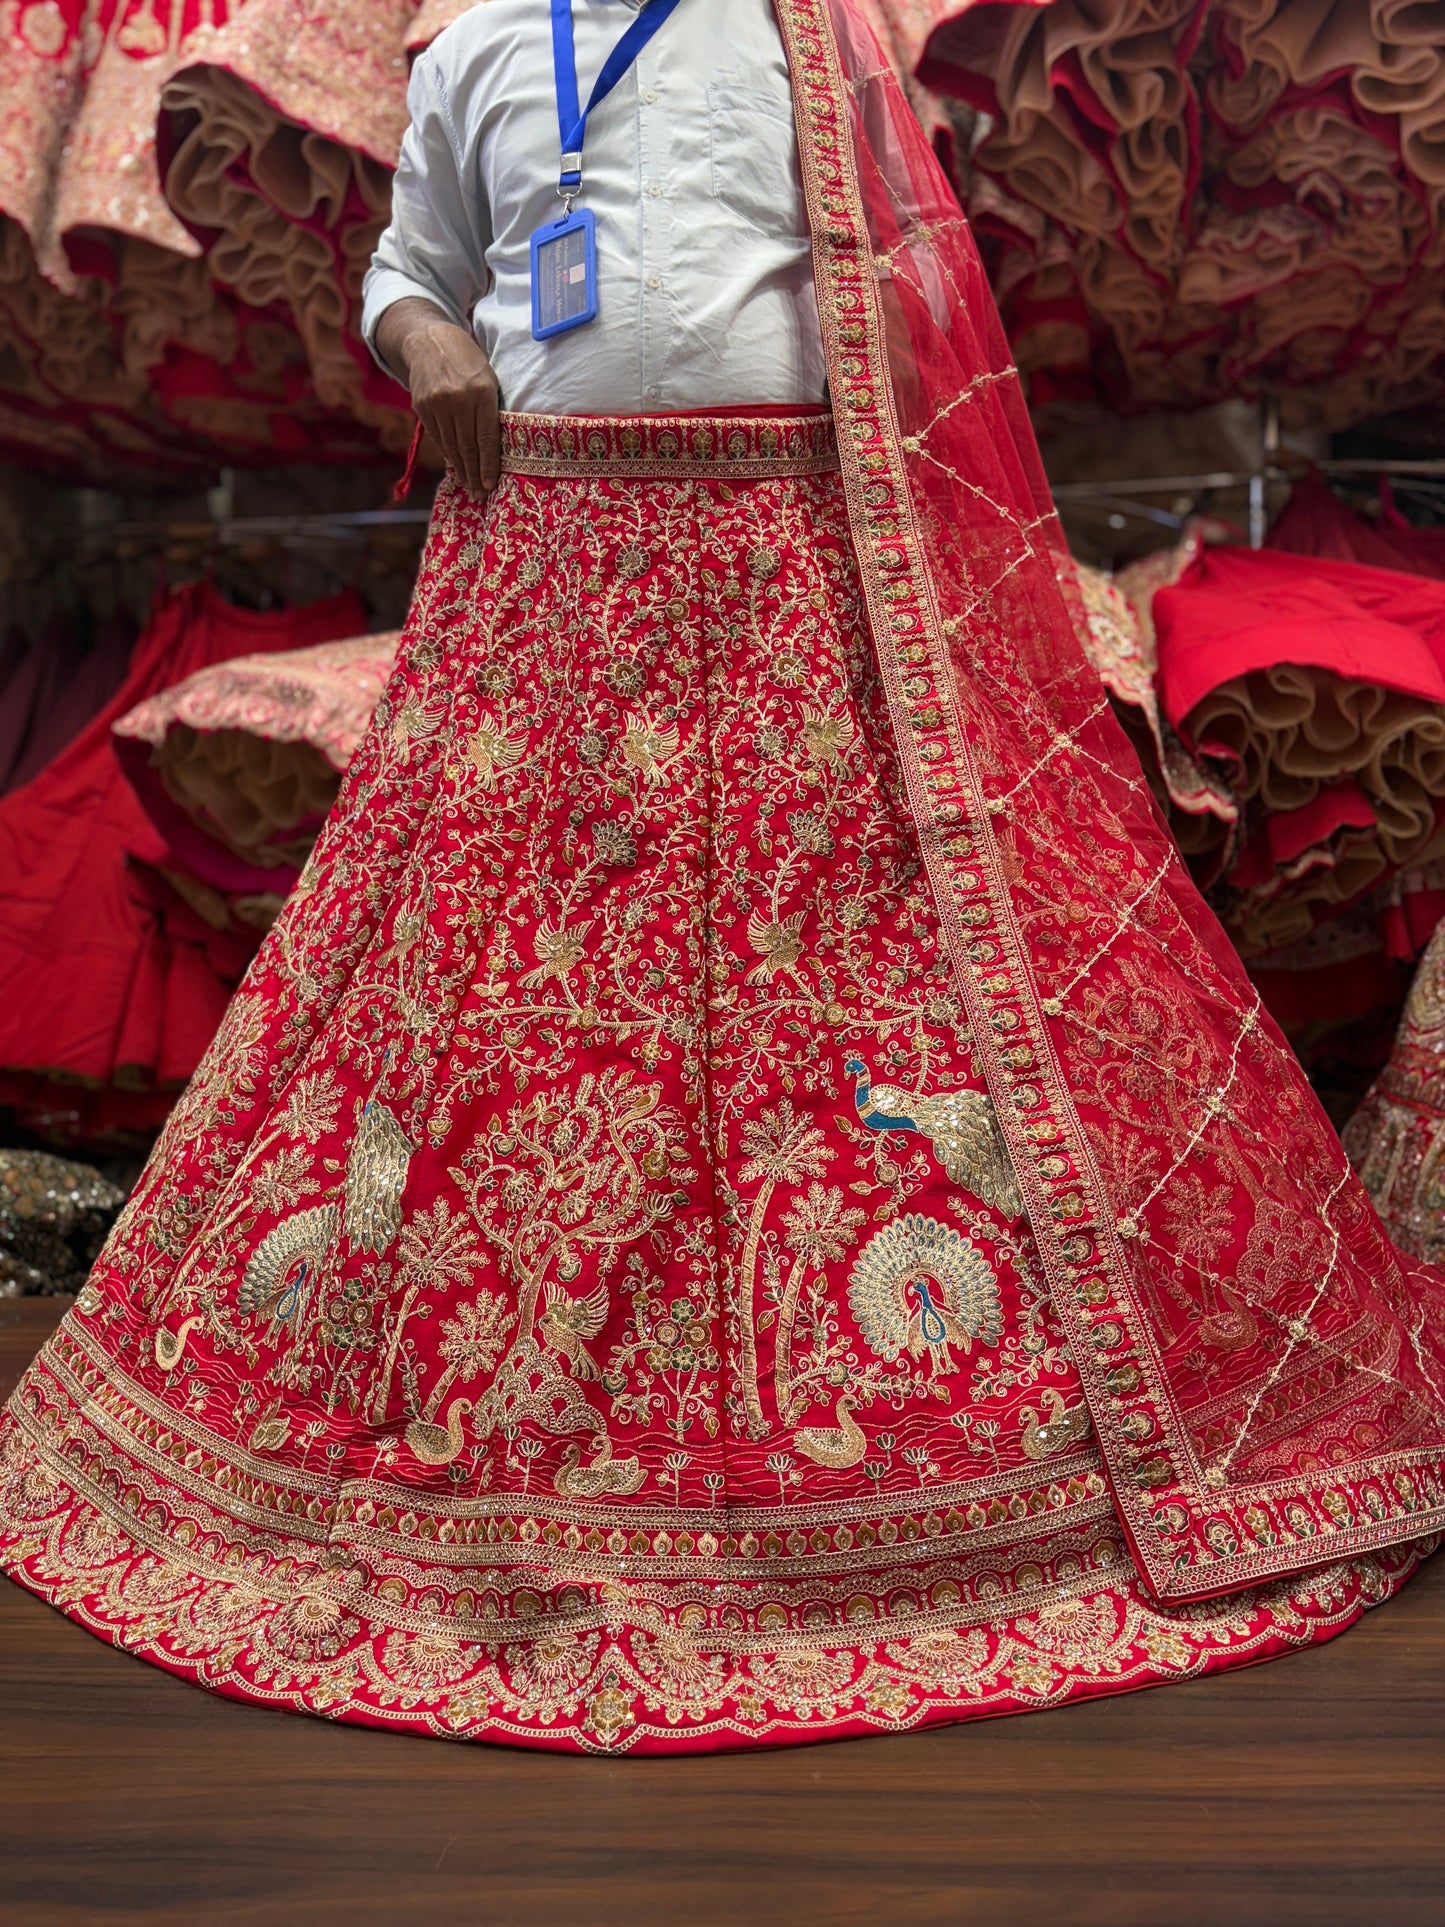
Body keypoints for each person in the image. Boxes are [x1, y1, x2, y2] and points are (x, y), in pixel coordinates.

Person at [2, 0, 1442, 1756]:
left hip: (800, 577)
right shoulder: (466, 58)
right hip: (554, 570)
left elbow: (918, 310)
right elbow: (406, 264)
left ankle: (964, 1449)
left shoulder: (818, 46)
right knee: (500, 989)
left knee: (858, 985)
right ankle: (500, 1438)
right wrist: (424, 341)